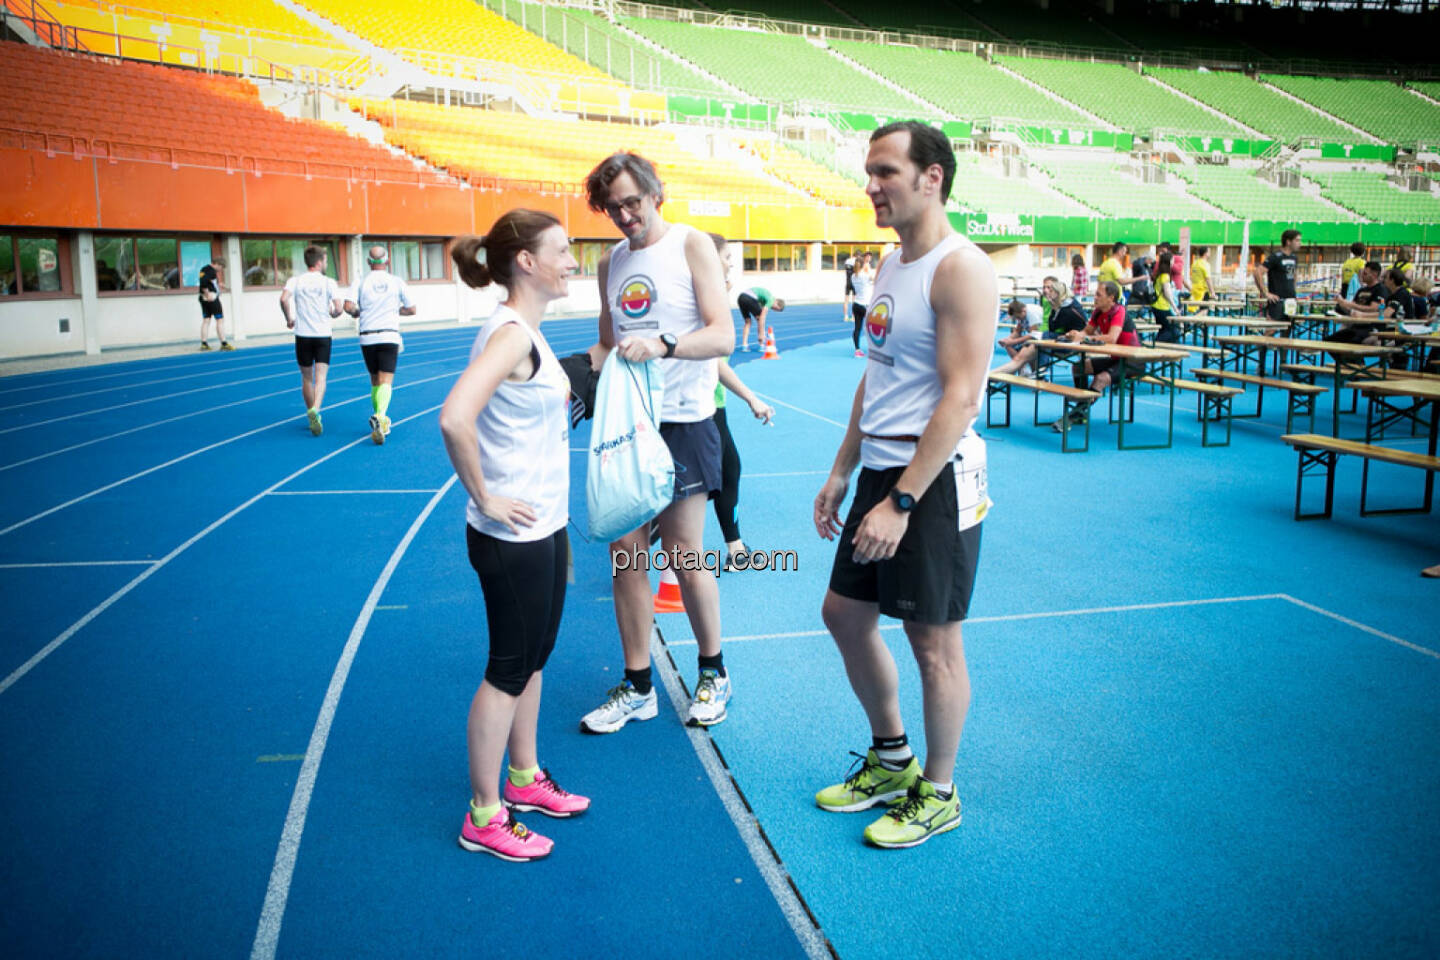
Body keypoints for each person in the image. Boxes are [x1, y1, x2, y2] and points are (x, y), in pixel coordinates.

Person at [812, 120, 996, 850]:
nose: (871, 185)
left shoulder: (961, 269)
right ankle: (892, 760)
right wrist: (842, 468)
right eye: (869, 171)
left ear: (932, 178)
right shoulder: (892, 266)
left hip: (932, 481)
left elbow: (960, 398)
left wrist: (900, 500)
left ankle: (940, 790)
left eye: (885, 170)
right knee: (844, 614)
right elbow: (877, 376)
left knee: (933, 642)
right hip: (884, 471)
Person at [440, 211, 590, 863]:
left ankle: (524, 779)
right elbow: (454, 418)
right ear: (525, 261)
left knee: (533, 657)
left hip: (543, 528)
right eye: (562, 249)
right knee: (508, 667)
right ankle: (484, 815)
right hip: (512, 536)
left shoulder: (528, 330)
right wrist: (485, 496)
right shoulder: (510, 334)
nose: (572, 258)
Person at [578, 152, 736, 733]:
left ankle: (714, 671)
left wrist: (665, 344)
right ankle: (639, 685)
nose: (624, 215)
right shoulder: (610, 262)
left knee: (686, 556)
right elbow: (605, 344)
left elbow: (723, 335)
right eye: (613, 208)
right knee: (625, 559)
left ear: (655, 192)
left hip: (685, 421)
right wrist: (563, 374)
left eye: (631, 202)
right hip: (629, 424)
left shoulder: (692, 244)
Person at [707, 233, 776, 569]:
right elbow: (721, 353)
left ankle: (735, 548)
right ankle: (631, 549)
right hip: (699, 408)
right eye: (727, 258)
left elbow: (716, 361)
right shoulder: (703, 300)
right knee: (689, 493)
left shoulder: (707, 298)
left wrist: (751, 399)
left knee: (727, 471)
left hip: (711, 403)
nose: (731, 264)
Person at [344, 245, 417, 445]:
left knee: (375, 379)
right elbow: (411, 309)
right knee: (386, 381)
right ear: (387, 261)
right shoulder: (396, 282)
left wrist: (358, 312)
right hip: (388, 334)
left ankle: (380, 417)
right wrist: (395, 311)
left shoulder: (360, 281)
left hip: (367, 335)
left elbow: (348, 306)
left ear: (368, 262)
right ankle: (381, 416)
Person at [1050, 280, 1141, 433]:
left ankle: (1073, 416)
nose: (1095, 297)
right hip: (1116, 358)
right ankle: (1081, 408)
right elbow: (1087, 332)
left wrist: (1087, 339)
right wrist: (1075, 334)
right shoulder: (1098, 311)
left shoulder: (1119, 311)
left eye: (1099, 294)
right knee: (1079, 367)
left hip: (1133, 360)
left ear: (1111, 298)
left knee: (1101, 379)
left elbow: (1112, 337)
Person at [279, 246, 344, 436]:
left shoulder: (295, 281)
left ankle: (311, 414)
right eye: (325, 260)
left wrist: (289, 318)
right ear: (319, 262)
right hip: (322, 334)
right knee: (321, 377)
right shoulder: (328, 282)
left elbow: (283, 299)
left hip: (303, 334)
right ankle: (316, 409)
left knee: (306, 378)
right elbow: (338, 308)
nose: (325, 263)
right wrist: (334, 312)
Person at [992, 277, 1087, 377]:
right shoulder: (1051, 304)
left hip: (1065, 340)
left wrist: (1013, 341)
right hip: (1051, 338)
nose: (1046, 291)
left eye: (1050, 289)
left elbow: (1082, 328)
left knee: (1026, 352)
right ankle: (995, 376)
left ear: (1058, 292)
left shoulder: (1068, 308)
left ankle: (1039, 371)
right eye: (1044, 287)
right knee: (1021, 355)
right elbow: (1051, 326)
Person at [1254, 228, 1302, 325]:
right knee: (1272, 329)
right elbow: (1257, 272)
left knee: (1288, 328)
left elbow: (1293, 275)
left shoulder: (1294, 258)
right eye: (1297, 240)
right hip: (1277, 301)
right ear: (1288, 242)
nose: (1300, 243)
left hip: (1290, 300)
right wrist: (1265, 293)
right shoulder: (1275, 257)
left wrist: (1294, 290)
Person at [1329, 260, 1384, 342]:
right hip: (1355, 323)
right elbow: (1352, 307)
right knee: (1331, 340)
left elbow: (1374, 309)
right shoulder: (1361, 290)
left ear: (1374, 274)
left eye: (1365, 273)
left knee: (1346, 339)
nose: (1362, 276)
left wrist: (1349, 304)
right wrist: (1342, 303)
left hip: (1369, 326)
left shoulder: (1380, 289)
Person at [198, 257, 232, 352]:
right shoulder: (211, 271)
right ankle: (224, 343)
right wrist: (207, 293)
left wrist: (219, 284)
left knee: (206, 320)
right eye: (221, 267)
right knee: (220, 320)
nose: (220, 270)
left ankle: (204, 343)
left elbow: (208, 282)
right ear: (217, 264)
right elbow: (203, 283)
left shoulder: (204, 269)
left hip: (202, 298)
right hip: (211, 298)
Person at [737, 285, 785, 352]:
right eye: (775, 308)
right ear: (776, 302)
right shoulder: (771, 299)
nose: (772, 309)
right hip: (749, 298)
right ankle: (761, 345)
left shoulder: (764, 300)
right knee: (760, 319)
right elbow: (762, 317)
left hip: (741, 297)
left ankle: (744, 346)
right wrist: (762, 335)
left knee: (748, 322)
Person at [997, 298, 1039, 365]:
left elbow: (1033, 335)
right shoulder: (1021, 313)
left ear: (1023, 311)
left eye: (1018, 317)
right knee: (1008, 345)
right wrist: (1007, 340)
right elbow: (1017, 331)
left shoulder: (1032, 313)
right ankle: (1022, 369)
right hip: (1034, 338)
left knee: (1026, 349)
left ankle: (1021, 365)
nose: (1018, 319)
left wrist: (1013, 341)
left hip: (1041, 338)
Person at [850, 251, 876, 357]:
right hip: (865, 305)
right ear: (863, 265)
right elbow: (875, 279)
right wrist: (868, 269)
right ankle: (875, 348)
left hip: (856, 304)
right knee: (874, 327)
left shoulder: (853, 276)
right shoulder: (865, 276)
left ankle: (857, 350)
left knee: (857, 328)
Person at [1152, 252, 1180, 343]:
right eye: (1172, 260)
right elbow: (1167, 293)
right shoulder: (1165, 276)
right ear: (1169, 262)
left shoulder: (1159, 274)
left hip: (1156, 305)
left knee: (1163, 329)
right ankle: (1156, 345)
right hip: (1162, 306)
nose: (1173, 262)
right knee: (1172, 330)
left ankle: (1156, 346)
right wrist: (1175, 307)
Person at [1188, 247, 1210, 315]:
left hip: (1194, 289)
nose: (1210, 253)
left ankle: (1201, 324)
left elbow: (1192, 276)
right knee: (1204, 310)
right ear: (1206, 253)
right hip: (1203, 290)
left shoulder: (1194, 263)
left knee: (1196, 308)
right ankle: (1192, 321)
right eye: (1209, 251)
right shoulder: (1205, 264)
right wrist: (1212, 292)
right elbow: (1208, 279)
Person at [842, 252, 857, 320]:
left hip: (848, 282)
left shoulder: (847, 261)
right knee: (854, 301)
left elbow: (846, 270)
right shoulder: (857, 261)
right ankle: (853, 317)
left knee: (846, 300)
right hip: (854, 283)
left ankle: (845, 316)